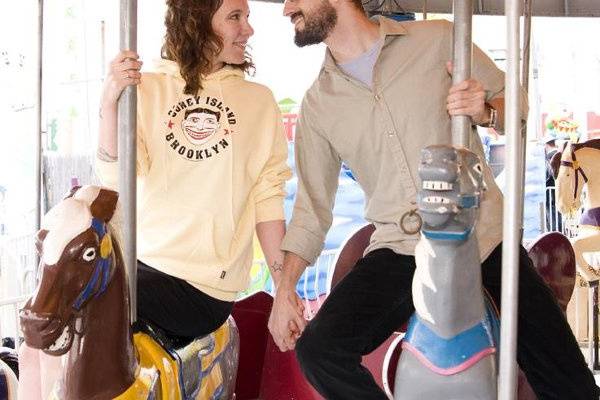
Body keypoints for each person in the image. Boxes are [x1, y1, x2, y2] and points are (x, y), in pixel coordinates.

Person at [267, 0, 599, 399]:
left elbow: (517, 105)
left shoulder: (440, 40)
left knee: (570, 383)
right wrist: (285, 288)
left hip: (481, 239)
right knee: (319, 350)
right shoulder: (319, 104)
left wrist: (486, 111)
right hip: (399, 249)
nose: (287, 8)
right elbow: (311, 211)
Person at [95, 0, 291, 340]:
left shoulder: (259, 102)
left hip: (202, 285)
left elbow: (268, 199)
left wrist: (284, 290)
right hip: (140, 263)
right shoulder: (148, 87)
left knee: (88, 307)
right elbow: (116, 177)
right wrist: (109, 103)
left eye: (247, 17)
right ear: (196, 22)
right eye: (234, 17)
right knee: (45, 323)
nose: (248, 29)